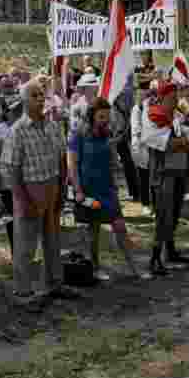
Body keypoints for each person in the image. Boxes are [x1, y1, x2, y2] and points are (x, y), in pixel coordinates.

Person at [1, 78, 73, 303]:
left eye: (42, 94)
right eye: (35, 95)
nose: (41, 99)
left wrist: (62, 188)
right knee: (26, 244)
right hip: (29, 191)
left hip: (52, 187)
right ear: (24, 100)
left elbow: (62, 158)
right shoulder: (17, 131)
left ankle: (54, 283)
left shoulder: (53, 126)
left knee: (53, 240)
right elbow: (11, 169)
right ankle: (23, 291)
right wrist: (22, 200)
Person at [71, 97, 148, 280]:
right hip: (88, 190)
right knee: (93, 231)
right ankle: (95, 266)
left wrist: (115, 165)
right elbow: (72, 164)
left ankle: (134, 267)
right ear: (92, 116)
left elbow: (112, 160)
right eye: (101, 117)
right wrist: (78, 190)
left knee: (119, 226)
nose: (105, 120)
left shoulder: (107, 133)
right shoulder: (78, 135)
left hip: (107, 189)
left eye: (107, 116)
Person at [143, 82, 189, 271]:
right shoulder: (152, 116)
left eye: (176, 98)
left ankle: (170, 250)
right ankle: (155, 256)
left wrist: (183, 140)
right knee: (163, 214)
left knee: (175, 212)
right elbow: (157, 141)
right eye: (171, 98)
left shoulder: (177, 116)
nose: (174, 101)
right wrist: (181, 142)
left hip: (179, 169)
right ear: (162, 98)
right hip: (163, 173)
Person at [0, 96, 22, 252]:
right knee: (11, 221)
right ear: (6, 112)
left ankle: (25, 253)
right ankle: (16, 253)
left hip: (27, 182)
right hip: (7, 183)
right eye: (14, 109)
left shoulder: (28, 126)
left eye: (20, 108)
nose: (18, 112)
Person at [130, 82, 155, 217]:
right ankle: (145, 204)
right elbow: (137, 130)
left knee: (154, 177)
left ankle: (155, 204)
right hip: (141, 148)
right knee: (144, 176)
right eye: (142, 93)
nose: (145, 96)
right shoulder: (137, 109)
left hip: (153, 147)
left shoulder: (152, 107)